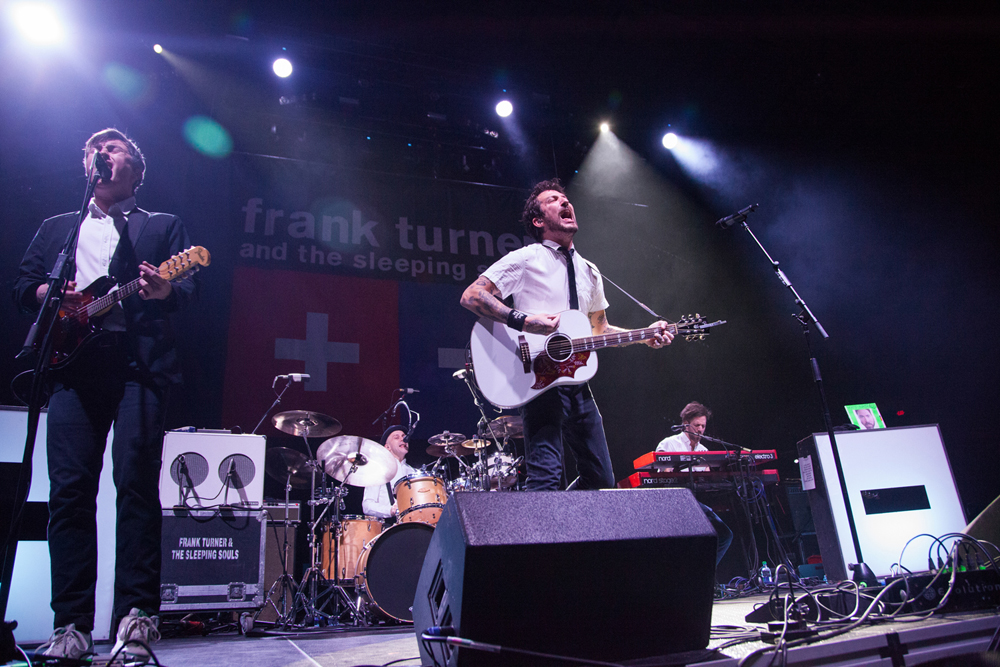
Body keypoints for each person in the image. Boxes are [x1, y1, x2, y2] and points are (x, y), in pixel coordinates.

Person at [13, 129, 198, 660]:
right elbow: (23, 286)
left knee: (135, 487)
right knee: (70, 493)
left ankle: (135, 621)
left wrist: (166, 289)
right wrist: (54, 293)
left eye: (115, 148)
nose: (103, 152)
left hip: (138, 366)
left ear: (135, 171)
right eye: (96, 149)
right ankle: (69, 625)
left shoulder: (159, 226)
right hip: (71, 368)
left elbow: (188, 289)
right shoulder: (59, 229)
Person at [460, 179, 672, 491]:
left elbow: (599, 330)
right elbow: (472, 296)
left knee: (600, 480)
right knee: (545, 478)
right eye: (553, 200)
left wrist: (644, 334)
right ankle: (534, 537)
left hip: (577, 380)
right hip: (539, 377)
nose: (565, 202)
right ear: (538, 220)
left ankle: (567, 531)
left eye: (566, 198)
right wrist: (523, 320)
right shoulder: (527, 258)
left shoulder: (590, 270)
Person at [656, 402, 732, 566]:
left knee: (724, 534)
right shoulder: (668, 444)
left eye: (703, 426)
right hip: (671, 503)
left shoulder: (703, 451)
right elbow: (662, 477)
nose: (700, 430)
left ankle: (704, 572)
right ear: (685, 425)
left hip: (692, 501)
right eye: (697, 425)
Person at [362, 425, 419, 519]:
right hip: (388, 528)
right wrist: (390, 510)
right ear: (387, 447)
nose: (403, 439)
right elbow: (367, 505)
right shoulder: (378, 470)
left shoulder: (414, 472)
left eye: (404, 436)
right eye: (396, 437)